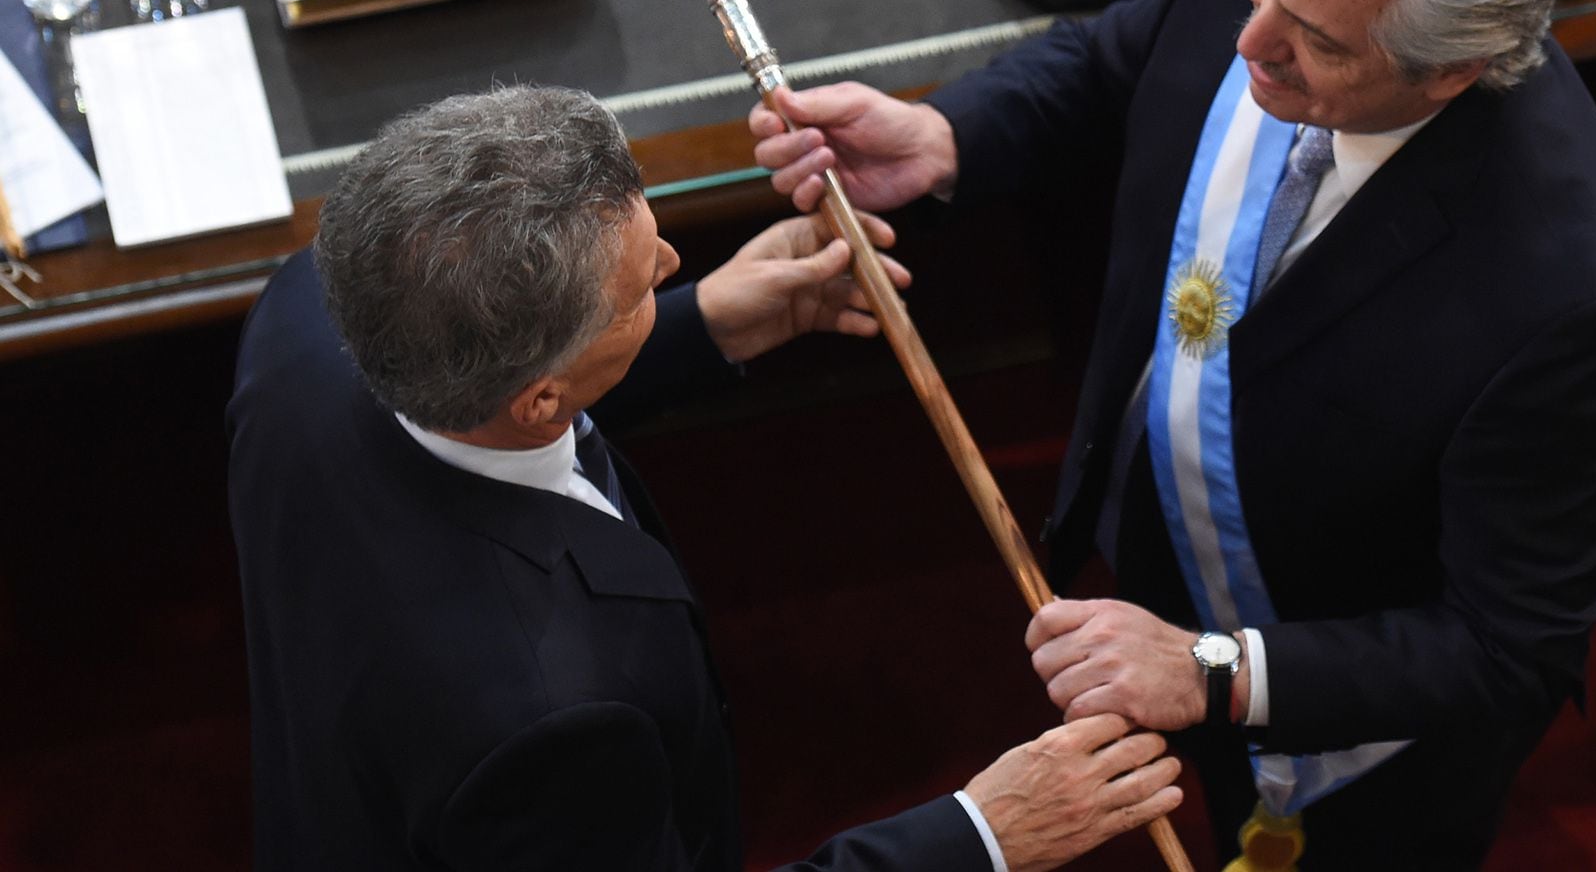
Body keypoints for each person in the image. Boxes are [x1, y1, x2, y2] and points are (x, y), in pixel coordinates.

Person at [750, 0, 1596, 867]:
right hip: (1154, 553)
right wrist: (951, 133)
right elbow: (1121, 54)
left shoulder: (1567, 299)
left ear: (1451, 70)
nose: (1249, 41)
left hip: (1341, 715)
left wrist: (1216, 674)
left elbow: (1509, 649)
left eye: (1311, 42)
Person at [225, 86, 1183, 871]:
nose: (679, 263)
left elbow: (510, 401)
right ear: (542, 398)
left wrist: (707, 320)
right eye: (644, 286)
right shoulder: (552, 718)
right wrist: (981, 834)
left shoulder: (308, 312)